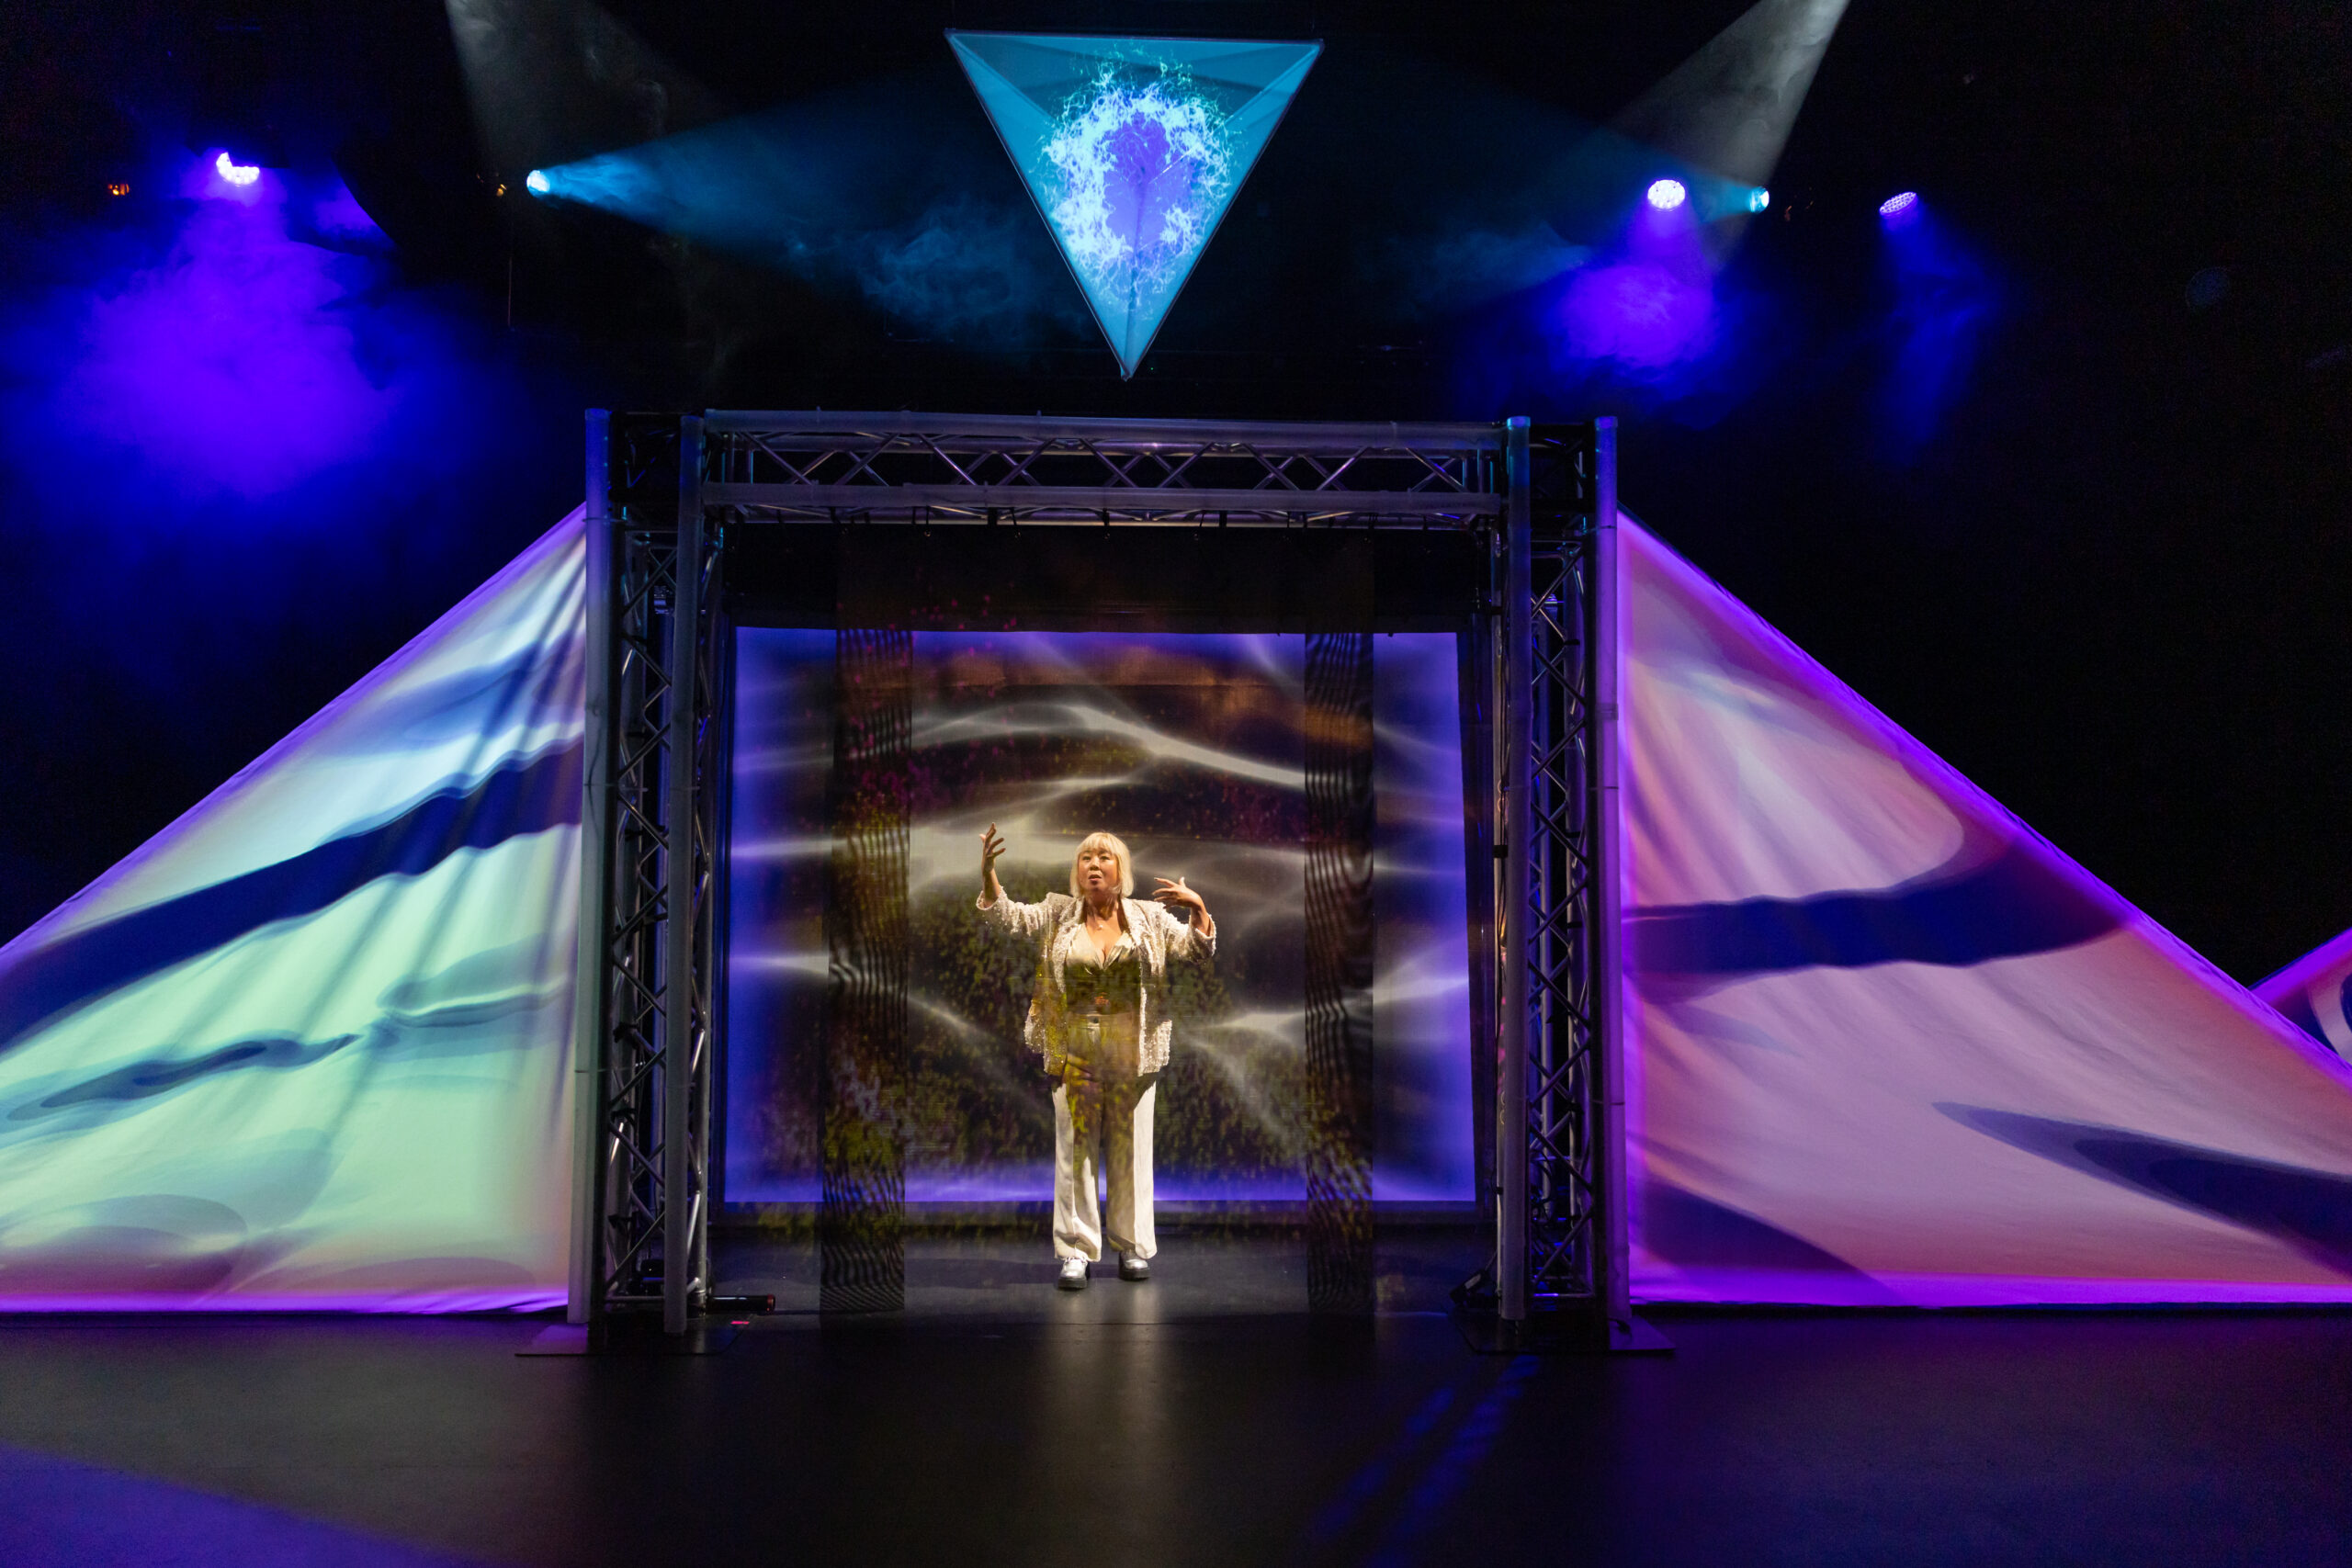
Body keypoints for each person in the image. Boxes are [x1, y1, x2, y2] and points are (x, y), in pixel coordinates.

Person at [976, 824, 1216, 1290]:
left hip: (1132, 1052)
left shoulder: (1147, 917)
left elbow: (1197, 952)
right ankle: (1076, 1251)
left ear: (1120, 870)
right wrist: (989, 875)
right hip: (1075, 1051)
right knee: (1076, 1154)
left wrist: (1199, 911)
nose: (1093, 865)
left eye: (1104, 858)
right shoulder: (1058, 914)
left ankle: (1131, 1247)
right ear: (1077, 870)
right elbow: (1004, 917)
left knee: (1131, 1154)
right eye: (1086, 858)